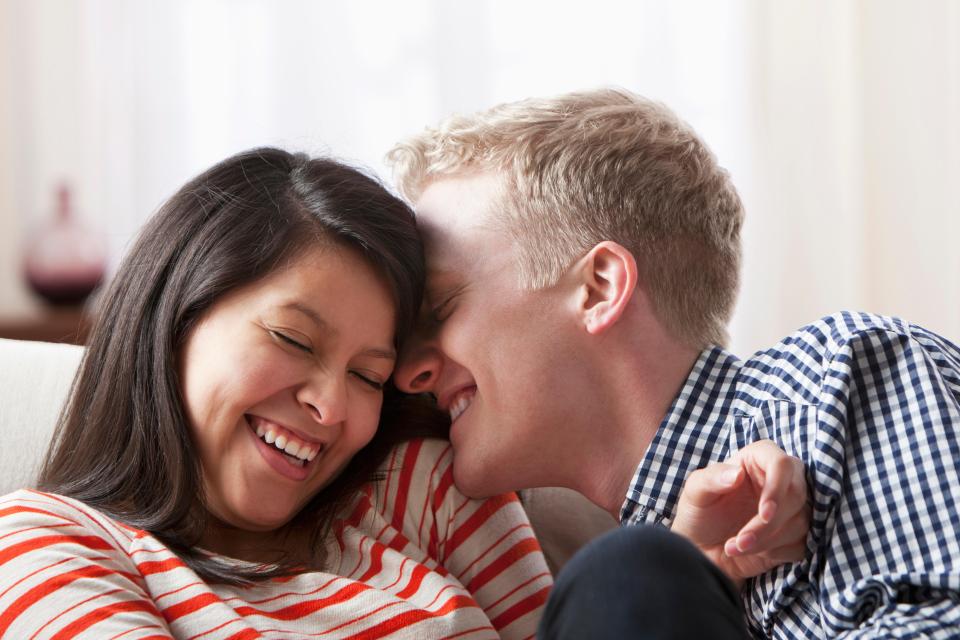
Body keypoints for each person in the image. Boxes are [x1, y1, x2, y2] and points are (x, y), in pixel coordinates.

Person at [388, 88, 960, 638]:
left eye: (440, 308)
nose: (406, 371)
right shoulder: (630, 553)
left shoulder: (832, 383)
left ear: (599, 289)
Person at [0, 148, 553, 638]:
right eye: (294, 339)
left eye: (368, 377)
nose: (331, 407)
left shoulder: (419, 488)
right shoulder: (44, 542)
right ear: (176, 320)